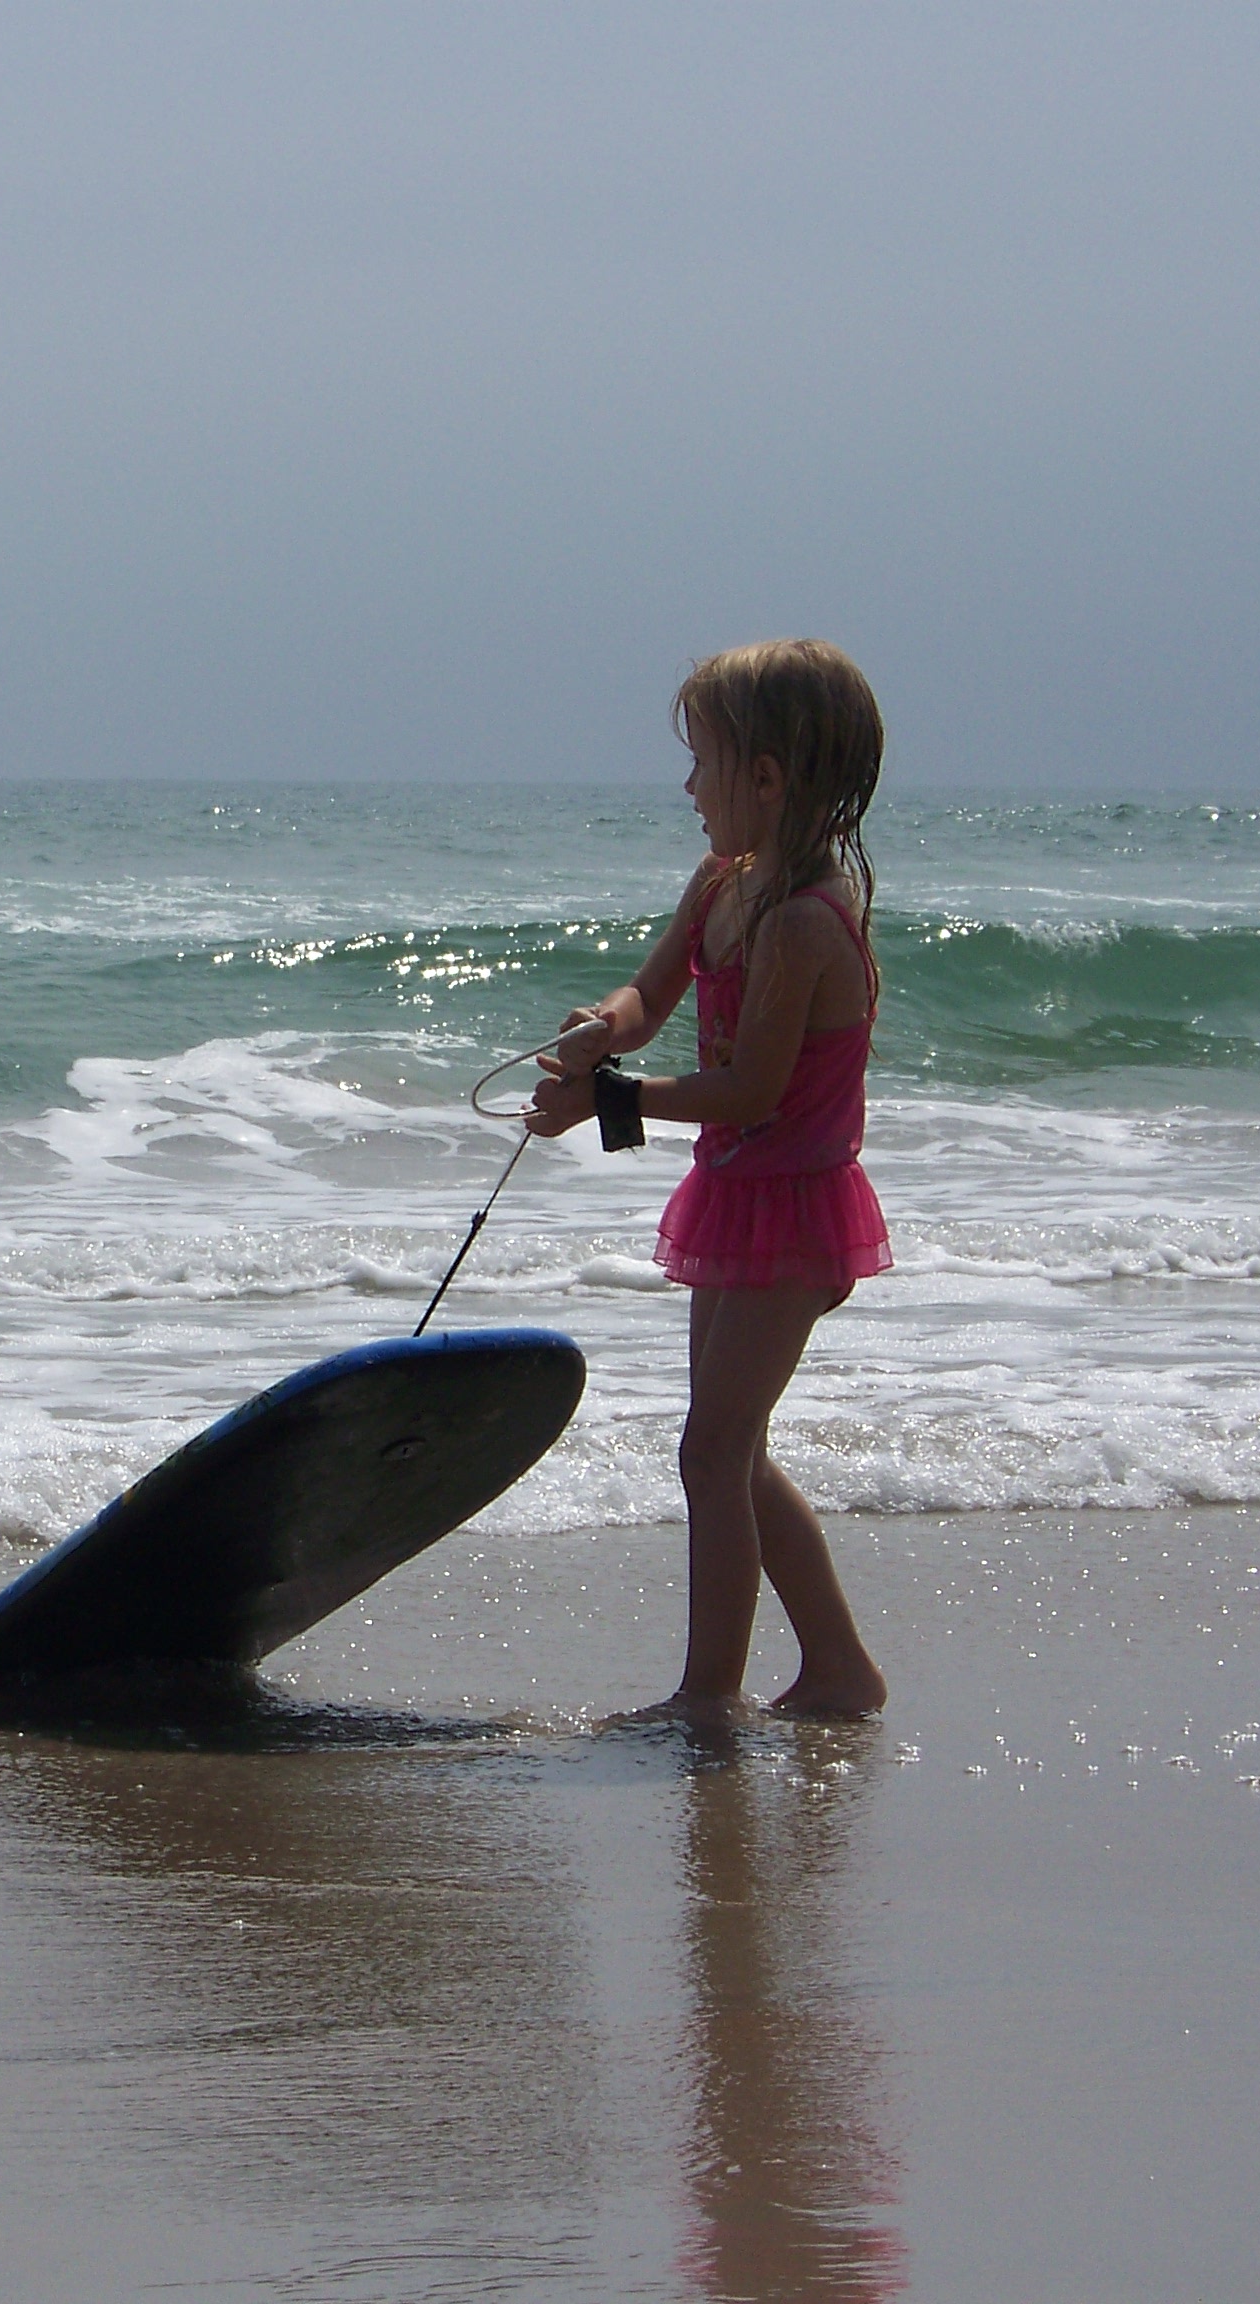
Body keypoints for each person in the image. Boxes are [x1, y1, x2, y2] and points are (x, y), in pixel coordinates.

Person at [529, 639, 893, 1722]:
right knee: (732, 1450)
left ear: (766, 778)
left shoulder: (804, 921)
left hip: (798, 1207)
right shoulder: (722, 885)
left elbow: (750, 1090)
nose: (689, 788)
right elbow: (648, 997)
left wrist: (608, 1104)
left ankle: (707, 1696)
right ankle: (838, 1669)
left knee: (713, 1448)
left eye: (704, 763)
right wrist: (603, 1030)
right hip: (736, 1199)